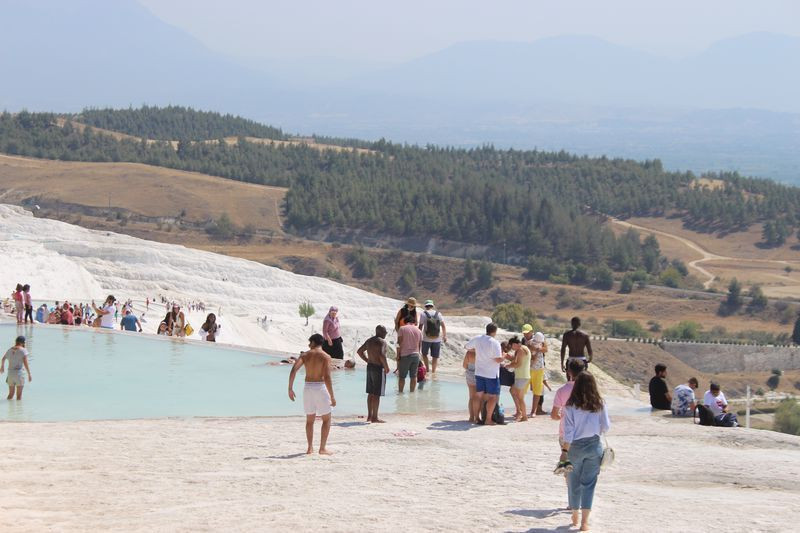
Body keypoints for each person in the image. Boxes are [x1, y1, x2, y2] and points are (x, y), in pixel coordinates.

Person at [562, 372, 611, 532]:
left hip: (575, 446)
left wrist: (564, 450)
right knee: (589, 484)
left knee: (573, 481)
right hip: (594, 445)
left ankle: (575, 514)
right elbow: (606, 427)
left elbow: (568, 431)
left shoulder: (570, 406)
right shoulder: (599, 403)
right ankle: (584, 522)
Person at [287, 333, 336, 455]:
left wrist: (290, 388)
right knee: (326, 419)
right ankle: (322, 448)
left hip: (307, 388)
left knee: (309, 420)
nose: (309, 345)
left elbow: (294, 370)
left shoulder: (305, 355)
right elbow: (327, 377)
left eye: (310, 343)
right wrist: (332, 396)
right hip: (320, 387)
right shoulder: (326, 356)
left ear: (314, 342)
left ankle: (310, 448)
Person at [552, 359, 586, 474]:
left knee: (567, 467)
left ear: (569, 372)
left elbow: (554, 415)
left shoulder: (561, 391)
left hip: (565, 432)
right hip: (584, 432)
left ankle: (570, 489)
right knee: (581, 467)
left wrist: (561, 417)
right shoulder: (588, 390)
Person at [466, 323, 504, 426]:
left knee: (478, 395)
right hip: (491, 373)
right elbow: (497, 359)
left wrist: (477, 350)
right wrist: (504, 357)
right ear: (495, 331)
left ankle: (476, 417)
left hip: (479, 372)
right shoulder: (495, 343)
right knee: (492, 397)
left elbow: (467, 346)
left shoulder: (478, 338)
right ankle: (488, 419)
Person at [356, 325, 391, 423]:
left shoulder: (369, 340)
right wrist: (386, 367)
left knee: (370, 393)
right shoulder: (382, 342)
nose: (386, 333)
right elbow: (382, 355)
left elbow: (359, 352)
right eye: (385, 331)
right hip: (378, 368)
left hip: (370, 367)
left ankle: (370, 416)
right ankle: (375, 417)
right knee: (377, 394)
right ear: (380, 332)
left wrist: (367, 360)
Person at [504, 336, 531, 422]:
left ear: (515, 344)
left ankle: (524, 416)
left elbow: (518, 364)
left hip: (522, 376)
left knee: (520, 397)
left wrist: (508, 366)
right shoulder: (524, 348)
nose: (512, 348)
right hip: (522, 376)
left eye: (512, 346)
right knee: (512, 391)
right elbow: (516, 360)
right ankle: (519, 412)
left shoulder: (521, 350)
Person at [418, 299, 447, 374]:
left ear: (426, 306)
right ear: (432, 306)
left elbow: (420, 327)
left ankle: (427, 370)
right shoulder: (438, 314)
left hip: (426, 338)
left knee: (424, 354)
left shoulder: (423, 314)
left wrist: (418, 337)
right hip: (437, 339)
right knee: (435, 356)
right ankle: (433, 371)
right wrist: (444, 336)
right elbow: (443, 326)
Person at [396, 314, 422, 393]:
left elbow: (399, 343)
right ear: (414, 322)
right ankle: (412, 393)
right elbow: (420, 345)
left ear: (405, 322)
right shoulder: (419, 331)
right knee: (413, 376)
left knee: (402, 377)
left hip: (405, 355)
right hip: (416, 355)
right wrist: (418, 355)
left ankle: (400, 393)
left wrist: (398, 355)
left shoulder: (402, 329)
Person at [1, 336, 32, 400]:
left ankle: (9, 409)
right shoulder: (23, 350)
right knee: (19, 396)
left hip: (10, 374)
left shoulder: (9, 350)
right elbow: (25, 363)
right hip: (19, 373)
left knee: (10, 394)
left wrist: (2, 367)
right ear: (23, 342)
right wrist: (29, 374)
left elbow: (3, 359)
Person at [527, 329, 548, 417]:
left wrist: (539, 349)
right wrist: (535, 348)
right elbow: (528, 347)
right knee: (523, 389)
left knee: (537, 391)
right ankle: (520, 410)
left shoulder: (543, 342)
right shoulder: (530, 342)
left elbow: (545, 349)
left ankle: (533, 411)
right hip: (530, 368)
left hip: (539, 369)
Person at [463, 349, 477, 422]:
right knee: (479, 397)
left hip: (470, 374)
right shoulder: (482, 352)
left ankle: (471, 417)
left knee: (471, 397)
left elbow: (464, 365)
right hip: (479, 374)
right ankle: (477, 417)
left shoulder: (469, 353)